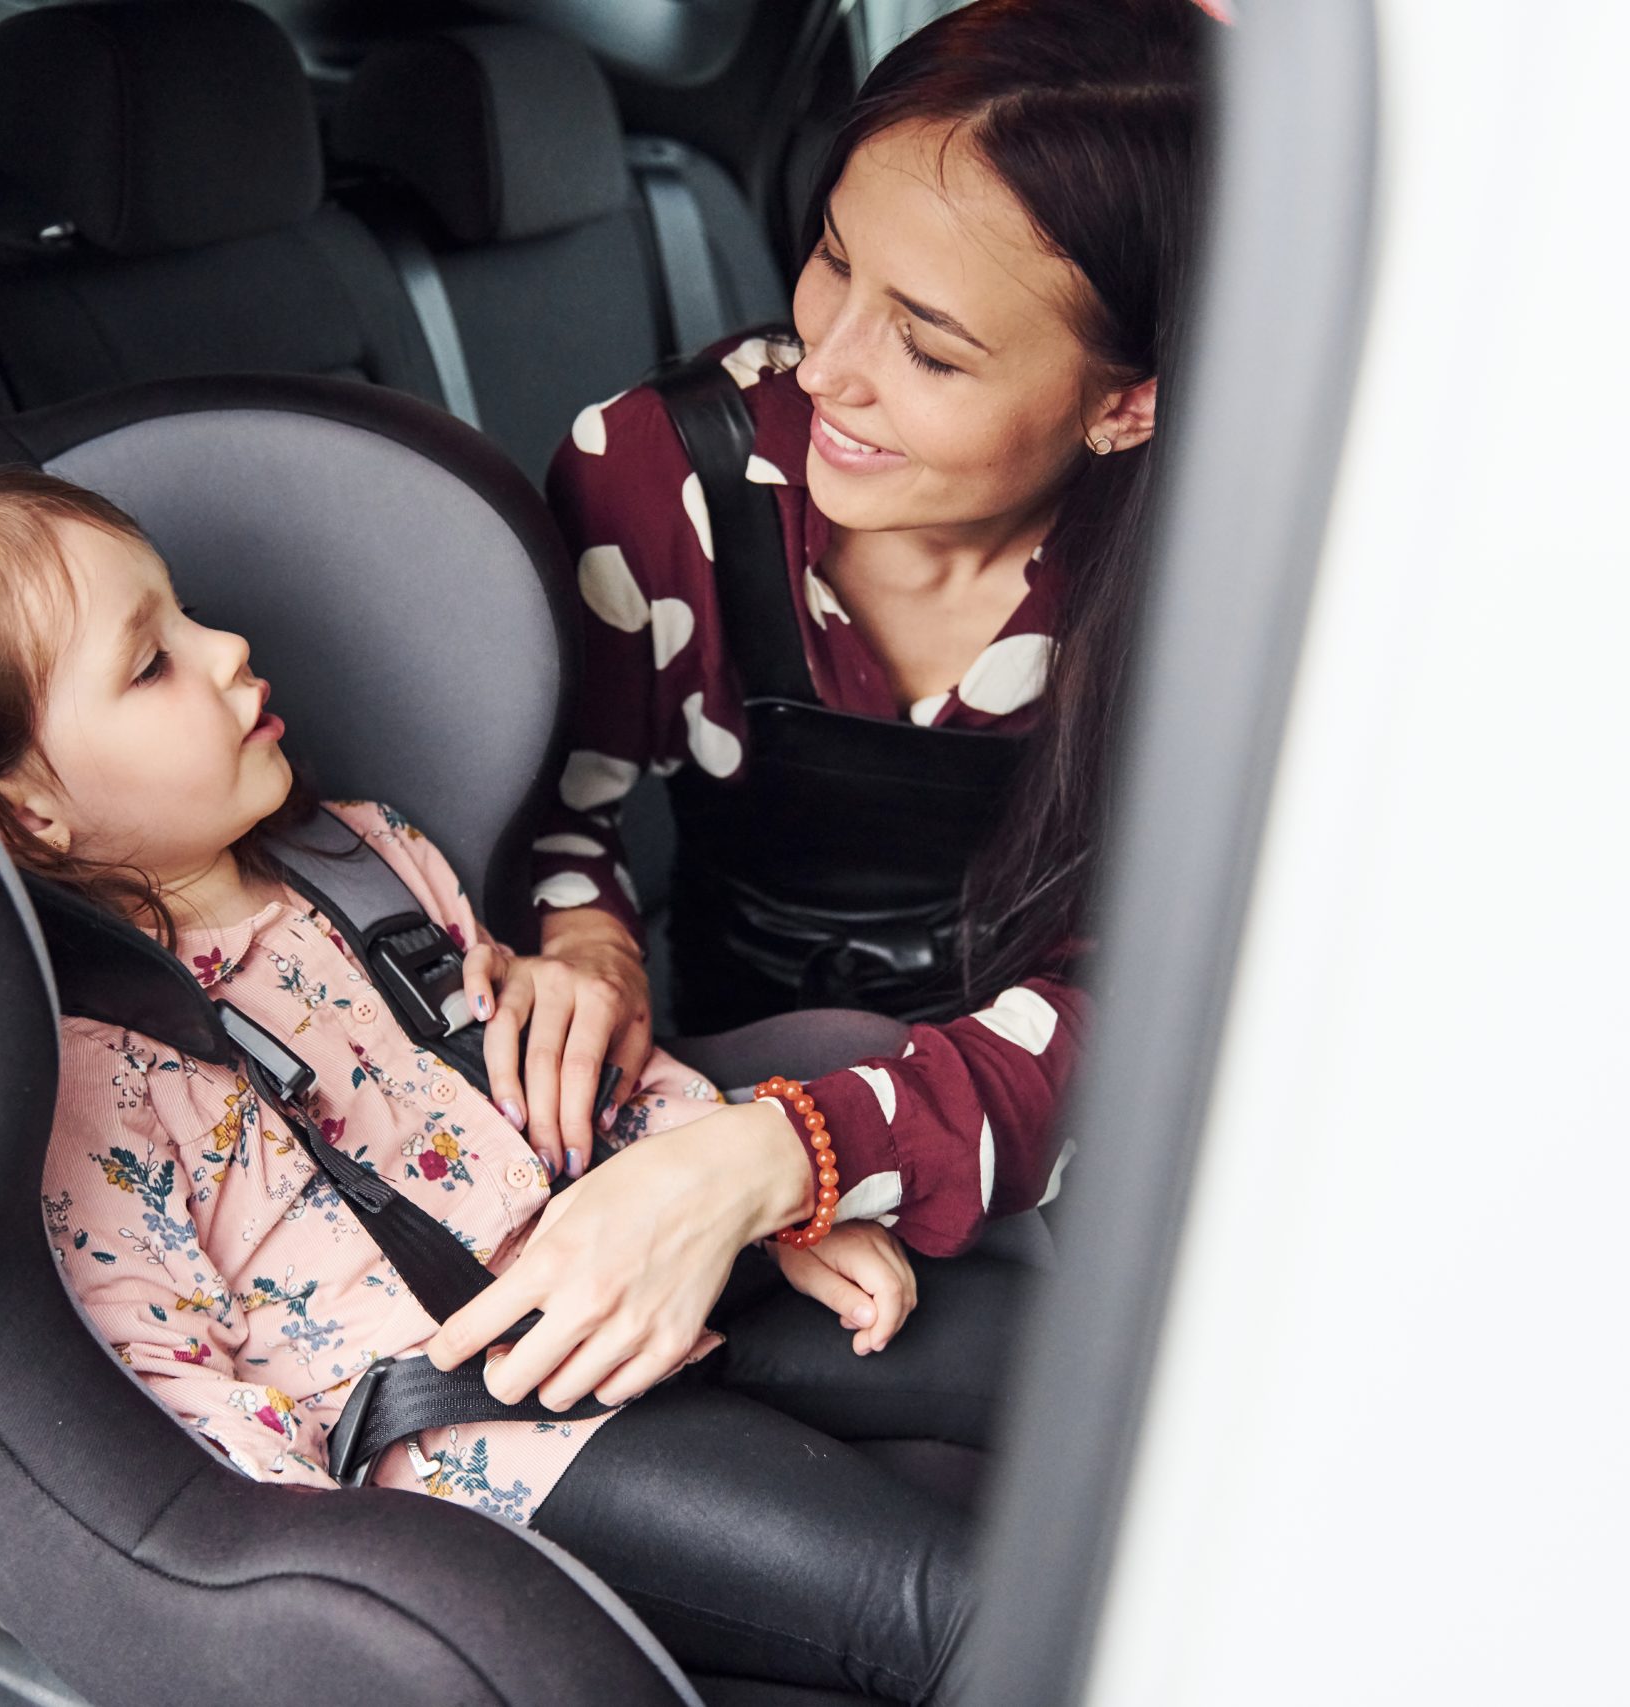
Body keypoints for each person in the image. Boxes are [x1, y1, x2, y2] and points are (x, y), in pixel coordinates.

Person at [0, 466, 973, 1701]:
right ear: (26, 811)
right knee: (948, 1605)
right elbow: (196, 1429)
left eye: (187, 614)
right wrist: (372, 1621)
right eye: (152, 665)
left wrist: (764, 1197)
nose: (229, 646)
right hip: (503, 1445)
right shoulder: (93, 1079)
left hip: (639, 1277)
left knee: (1061, 1368)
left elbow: (566, 1090)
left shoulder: (365, 858)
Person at [497, 0, 1213, 1260]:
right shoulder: (658, 471)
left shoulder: (1214, 576)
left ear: (1129, 404)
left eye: (929, 351)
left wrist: (795, 1155)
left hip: (1057, 1145)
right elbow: (558, 805)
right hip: (726, 1071)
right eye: (832, 260)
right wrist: (591, 942)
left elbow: (1148, 995)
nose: (822, 367)